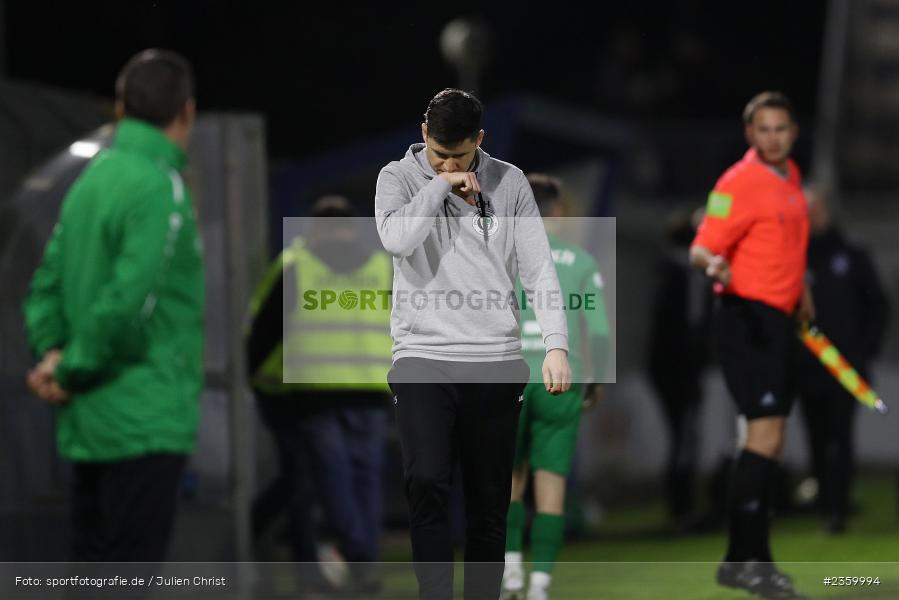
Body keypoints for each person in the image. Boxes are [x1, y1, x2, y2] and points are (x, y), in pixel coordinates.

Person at [375, 88, 571, 600]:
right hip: (422, 357)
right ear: (424, 135)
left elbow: (539, 268)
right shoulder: (396, 178)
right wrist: (439, 185)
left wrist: (556, 344)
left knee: (489, 502)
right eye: (439, 154)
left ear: (480, 141)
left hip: (495, 360)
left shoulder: (510, 182)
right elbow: (396, 240)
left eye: (459, 157)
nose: (449, 164)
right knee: (426, 484)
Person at [23, 49, 204, 564]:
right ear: (186, 112)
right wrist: (72, 368)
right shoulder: (159, 186)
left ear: (120, 108)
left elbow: (45, 285)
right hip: (142, 423)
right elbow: (130, 304)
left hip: (87, 424)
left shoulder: (89, 183)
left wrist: (52, 355)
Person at [690, 91, 812, 599]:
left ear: (793, 132)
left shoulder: (793, 179)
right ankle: (753, 563)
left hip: (781, 320)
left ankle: (739, 560)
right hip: (746, 319)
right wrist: (713, 265)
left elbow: (788, 247)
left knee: (771, 443)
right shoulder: (735, 183)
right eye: (763, 130)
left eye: (780, 128)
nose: (773, 138)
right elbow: (702, 245)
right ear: (750, 134)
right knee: (762, 442)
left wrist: (802, 292)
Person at [246, 196, 392, 594]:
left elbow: (265, 328)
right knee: (366, 482)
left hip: (315, 390)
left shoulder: (297, 265)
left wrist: (250, 372)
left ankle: (356, 555)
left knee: (332, 481)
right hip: (372, 387)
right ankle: (365, 560)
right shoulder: (383, 267)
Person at [501, 174, 610, 600]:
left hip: (508, 377)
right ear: (559, 213)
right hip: (560, 380)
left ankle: (509, 573)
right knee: (551, 487)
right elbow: (598, 332)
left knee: (508, 482)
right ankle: (540, 585)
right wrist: (596, 379)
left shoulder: (500, 257)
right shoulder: (581, 261)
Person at [797, 187, 889, 533]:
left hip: (846, 365)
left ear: (828, 211)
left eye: (816, 209)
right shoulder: (793, 256)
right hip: (809, 365)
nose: (812, 216)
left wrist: (865, 348)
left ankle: (837, 509)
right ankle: (826, 502)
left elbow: (877, 305)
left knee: (841, 436)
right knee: (817, 438)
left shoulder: (851, 254)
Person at [647, 209, 713, 529]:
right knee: (684, 437)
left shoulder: (674, 274)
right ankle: (681, 508)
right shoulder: (682, 276)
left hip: (674, 368)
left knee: (683, 436)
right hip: (677, 370)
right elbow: (681, 331)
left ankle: (682, 505)